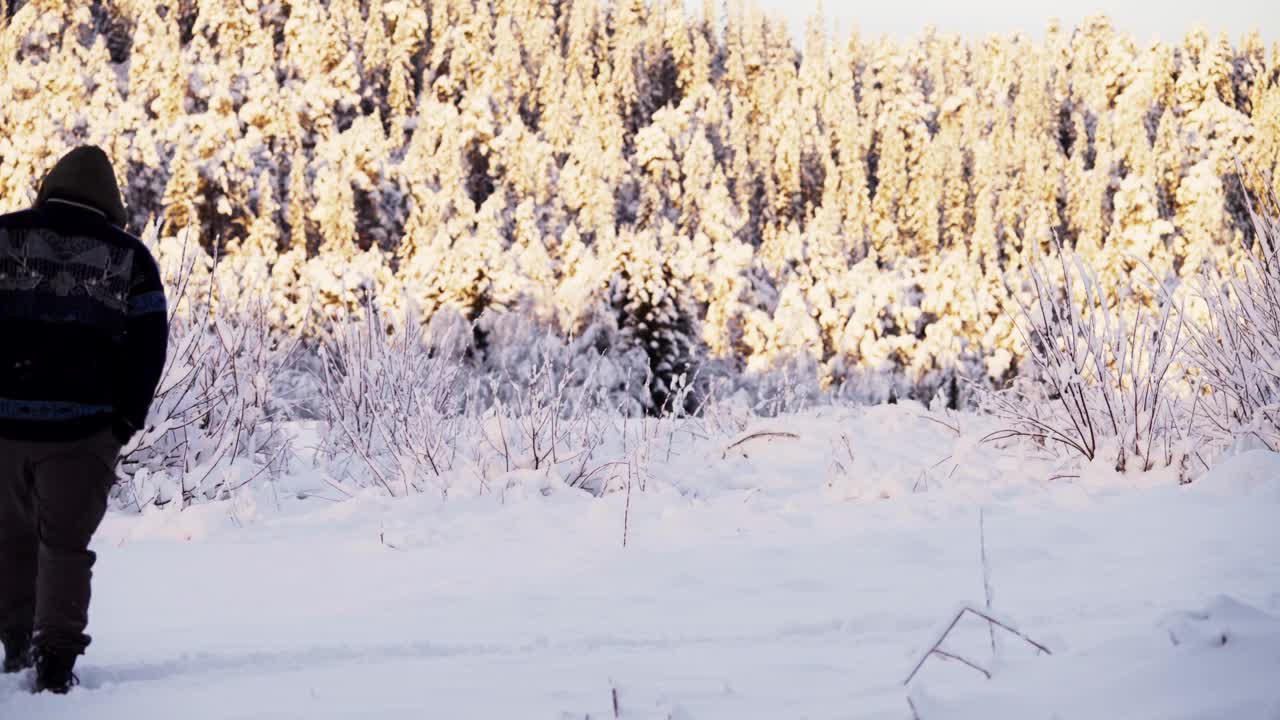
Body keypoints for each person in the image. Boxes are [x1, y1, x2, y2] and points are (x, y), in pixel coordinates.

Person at [0, 146, 168, 693]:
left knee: (9, 540)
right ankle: (55, 658)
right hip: (82, 432)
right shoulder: (131, 258)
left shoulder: (4, 237)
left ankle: (16, 644)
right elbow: (149, 346)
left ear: (50, 185)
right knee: (65, 547)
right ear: (110, 200)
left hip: (3, 428)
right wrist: (124, 421)